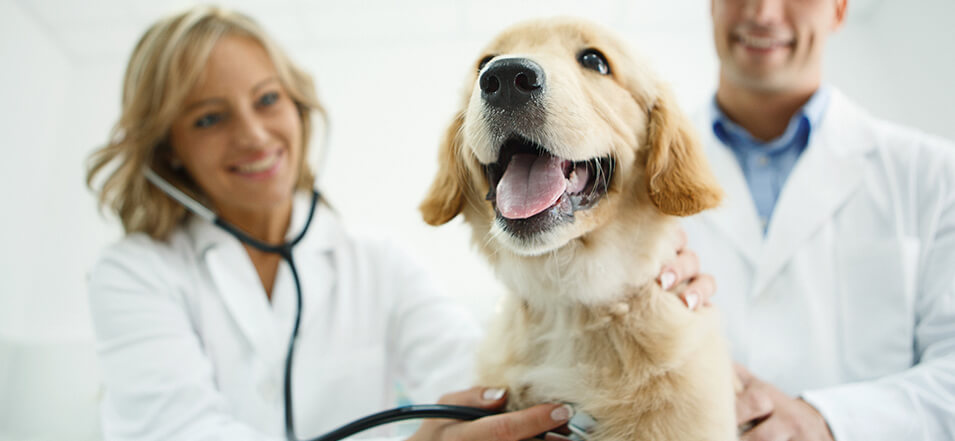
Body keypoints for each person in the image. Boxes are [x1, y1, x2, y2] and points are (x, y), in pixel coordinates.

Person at [85, 6, 711, 441]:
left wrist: (637, 276)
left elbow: (472, 384)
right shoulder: (132, 275)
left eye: (268, 100)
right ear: (169, 151)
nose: (253, 135)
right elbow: (177, 431)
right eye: (207, 118)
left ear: (300, 108)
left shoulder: (375, 262)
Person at [682, 0, 955, 440]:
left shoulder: (936, 177)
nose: (764, 12)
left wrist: (830, 420)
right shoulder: (631, 178)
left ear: (840, 10)